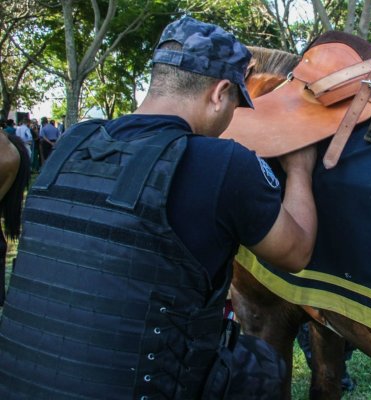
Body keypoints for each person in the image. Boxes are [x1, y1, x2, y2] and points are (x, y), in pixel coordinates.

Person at [0, 17, 317, 399]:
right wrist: (300, 168)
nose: (233, 117)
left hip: (18, 383)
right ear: (219, 93)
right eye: (236, 103)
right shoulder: (224, 163)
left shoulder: (70, 145)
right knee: (258, 371)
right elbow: (296, 252)